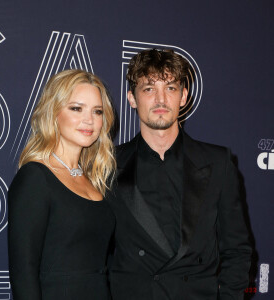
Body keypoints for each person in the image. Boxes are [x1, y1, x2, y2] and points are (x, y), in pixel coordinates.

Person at [107, 49, 252, 300]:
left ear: (183, 96)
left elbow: (237, 250)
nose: (161, 99)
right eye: (149, 89)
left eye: (171, 88)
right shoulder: (107, 164)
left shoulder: (218, 163)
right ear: (132, 98)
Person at [8, 69, 116, 300]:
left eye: (97, 112)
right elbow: (23, 273)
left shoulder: (94, 180)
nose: (89, 120)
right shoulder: (35, 178)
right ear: (54, 112)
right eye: (76, 108)